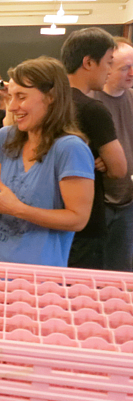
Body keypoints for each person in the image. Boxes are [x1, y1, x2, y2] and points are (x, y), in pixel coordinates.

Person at [0, 57, 95, 267]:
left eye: (21, 97)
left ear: (51, 97)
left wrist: (18, 209)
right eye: (11, 96)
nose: (12, 107)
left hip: (40, 273)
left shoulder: (70, 149)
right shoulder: (6, 137)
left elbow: (78, 219)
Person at [61, 28, 126, 269]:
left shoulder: (49, 102)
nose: (109, 70)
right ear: (88, 62)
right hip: (85, 223)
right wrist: (101, 161)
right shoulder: (93, 110)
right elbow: (119, 169)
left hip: (52, 216)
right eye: (108, 62)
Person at [93, 38, 133, 271]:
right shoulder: (91, 103)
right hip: (99, 202)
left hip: (128, 201)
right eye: (125, 67)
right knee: (92, 266)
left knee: (122, 268)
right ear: (108, 68)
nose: (132, 73)